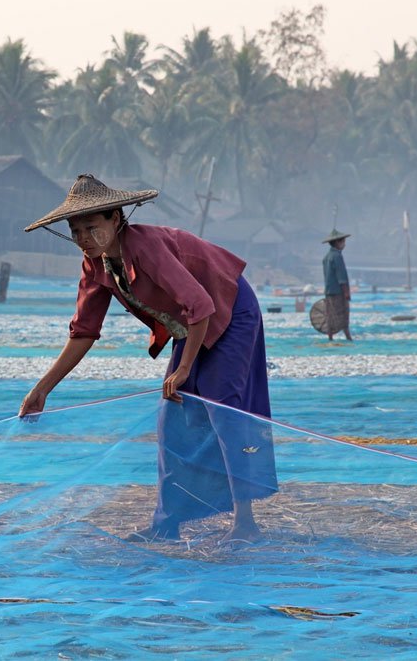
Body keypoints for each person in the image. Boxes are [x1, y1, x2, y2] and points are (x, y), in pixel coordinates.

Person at [18, 174, 277, 543]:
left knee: (223, 408)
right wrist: (43, 389)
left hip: (229, 307)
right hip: (191, 322)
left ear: (116, 219)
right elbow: (84, 332)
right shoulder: (95, 265)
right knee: (172, 418)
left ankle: (246, 523)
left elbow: (202, 304)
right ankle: (167, 524)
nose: (83, 240)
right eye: (75, 231)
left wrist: (185, 367)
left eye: (91, 228)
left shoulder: (147, 246)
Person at [321, 229, 353, 341]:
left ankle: (330, 337)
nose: (344, 244)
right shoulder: (337, 257)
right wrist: (346, 292)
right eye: (343, 241)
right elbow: (341, 277)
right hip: (338, 292)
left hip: (329, 291)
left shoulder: (326, 257)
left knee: (330, 315)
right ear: (337, 242)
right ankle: (348, 337)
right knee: (343, 315)